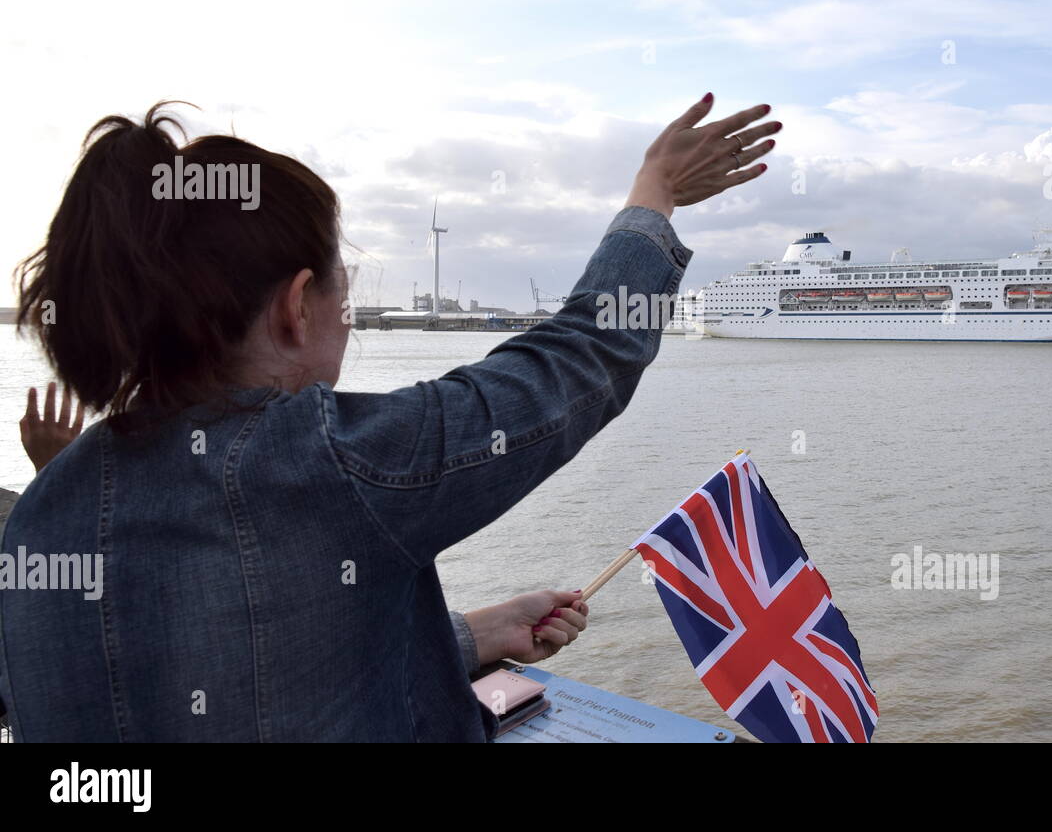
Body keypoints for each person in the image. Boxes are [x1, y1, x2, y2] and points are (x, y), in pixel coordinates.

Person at [0, 93, 779, 741]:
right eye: (344, 291)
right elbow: (580, 361)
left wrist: (473, 635)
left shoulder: (41, 519)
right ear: (294, 308)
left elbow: (238, 672)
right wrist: (655, 193)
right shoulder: (334, 464)